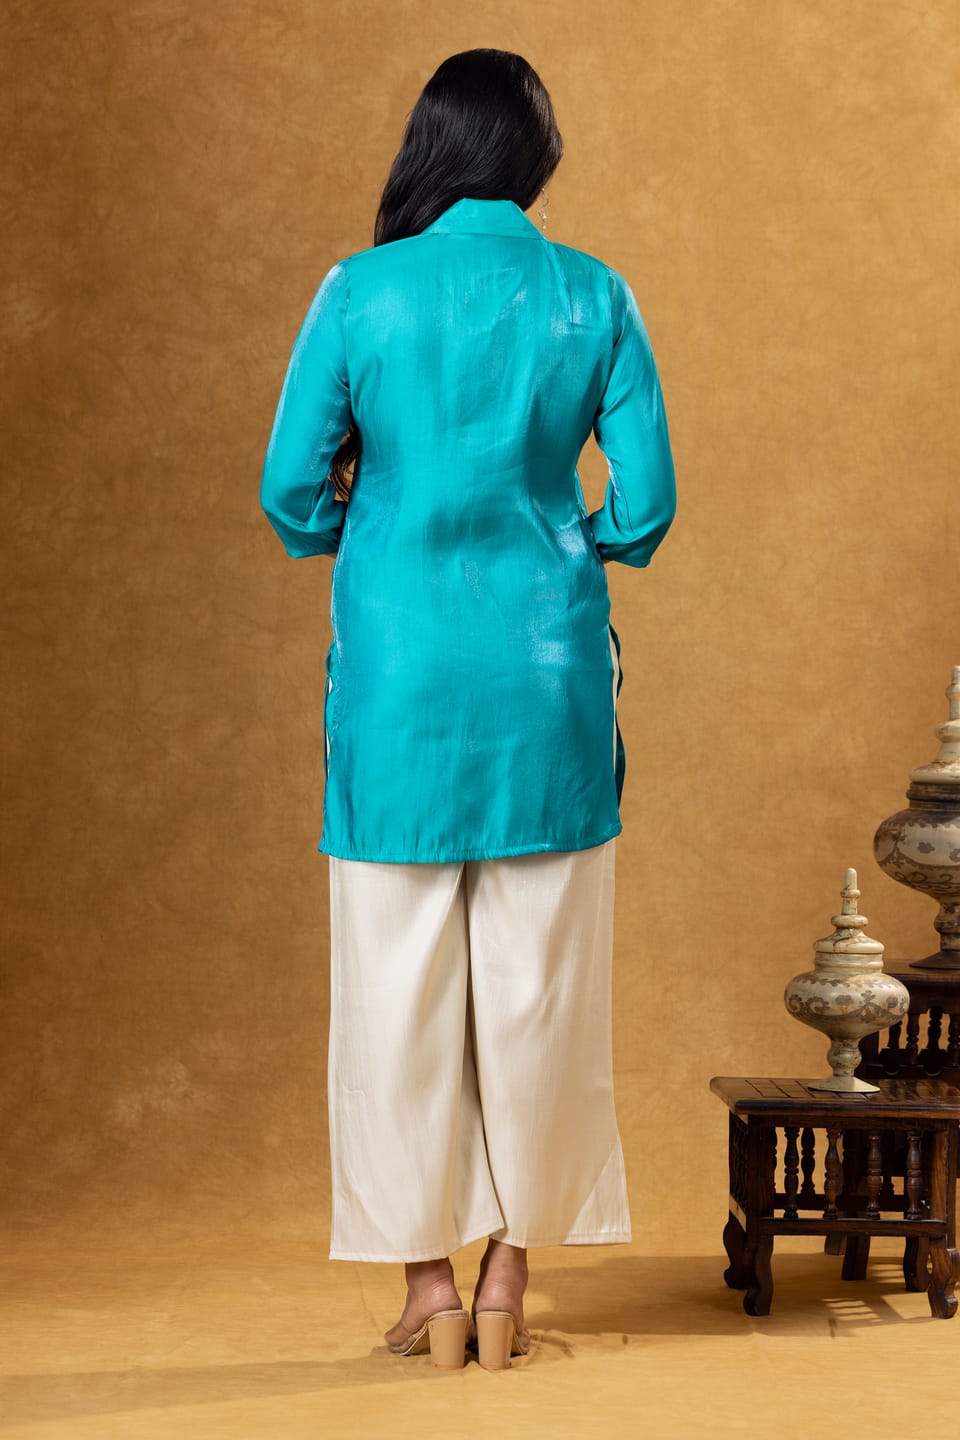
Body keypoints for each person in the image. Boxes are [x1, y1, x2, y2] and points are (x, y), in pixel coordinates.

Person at [260, 48, 677, 1371]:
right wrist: (569, 544)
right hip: (547, 685)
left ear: (432, 147)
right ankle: (510, 1278)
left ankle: (429, 1286)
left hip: (398, 684)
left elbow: (288, 493)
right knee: (541, 988)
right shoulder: (594, 293)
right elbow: (647, 508)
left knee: (394, 991)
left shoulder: (360, 290)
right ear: (536, 156)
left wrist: (363, 527)